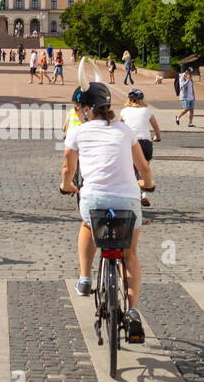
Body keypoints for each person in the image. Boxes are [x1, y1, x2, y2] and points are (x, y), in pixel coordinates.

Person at [60, 81, 155, 343]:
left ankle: (85, 278)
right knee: (130, 254)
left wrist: (67, 186)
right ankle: (133, 310)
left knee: (87, 226)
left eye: (79, 108)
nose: (78, 113)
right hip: (128, 200)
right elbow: (143, 167)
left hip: (94, 200)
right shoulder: (124, 130)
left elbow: (68, 170)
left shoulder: (78, 132)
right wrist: (148, 184)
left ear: (89, 109)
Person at [121, 89, 161, 206]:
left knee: (129, 170)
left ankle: (130, 194)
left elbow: (119, 126)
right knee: (144, 170)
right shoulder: (147, 111)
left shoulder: (124, 111)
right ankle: (143, 194)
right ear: (142, 99)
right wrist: (157, 137)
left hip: (130, 143)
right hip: (145, 143)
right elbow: (156, 127)